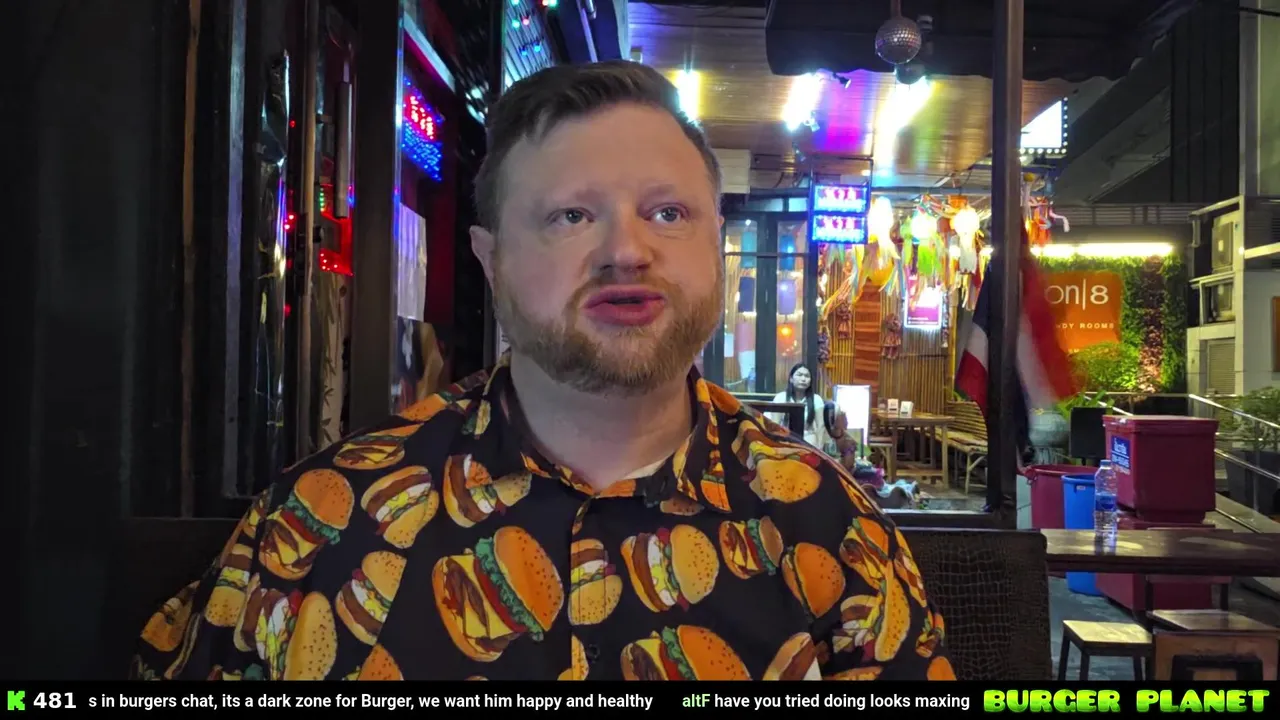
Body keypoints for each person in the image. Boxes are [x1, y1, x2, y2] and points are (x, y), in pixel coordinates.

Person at [131, 60, 954, 682]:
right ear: (489, 260)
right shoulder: (322, 521)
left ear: (715, 249)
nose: (627, 249)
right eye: (570, 215)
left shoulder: (832, 531)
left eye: (668, 213)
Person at [767, 363, 831, 452]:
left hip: (808, 443)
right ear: (791, 379)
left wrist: (819, 449)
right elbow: (775, 424)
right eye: (799, 375)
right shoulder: (780, 397)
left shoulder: (816, 399)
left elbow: (821, 425)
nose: (803, 379)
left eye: (807, 376)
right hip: (785, 442)